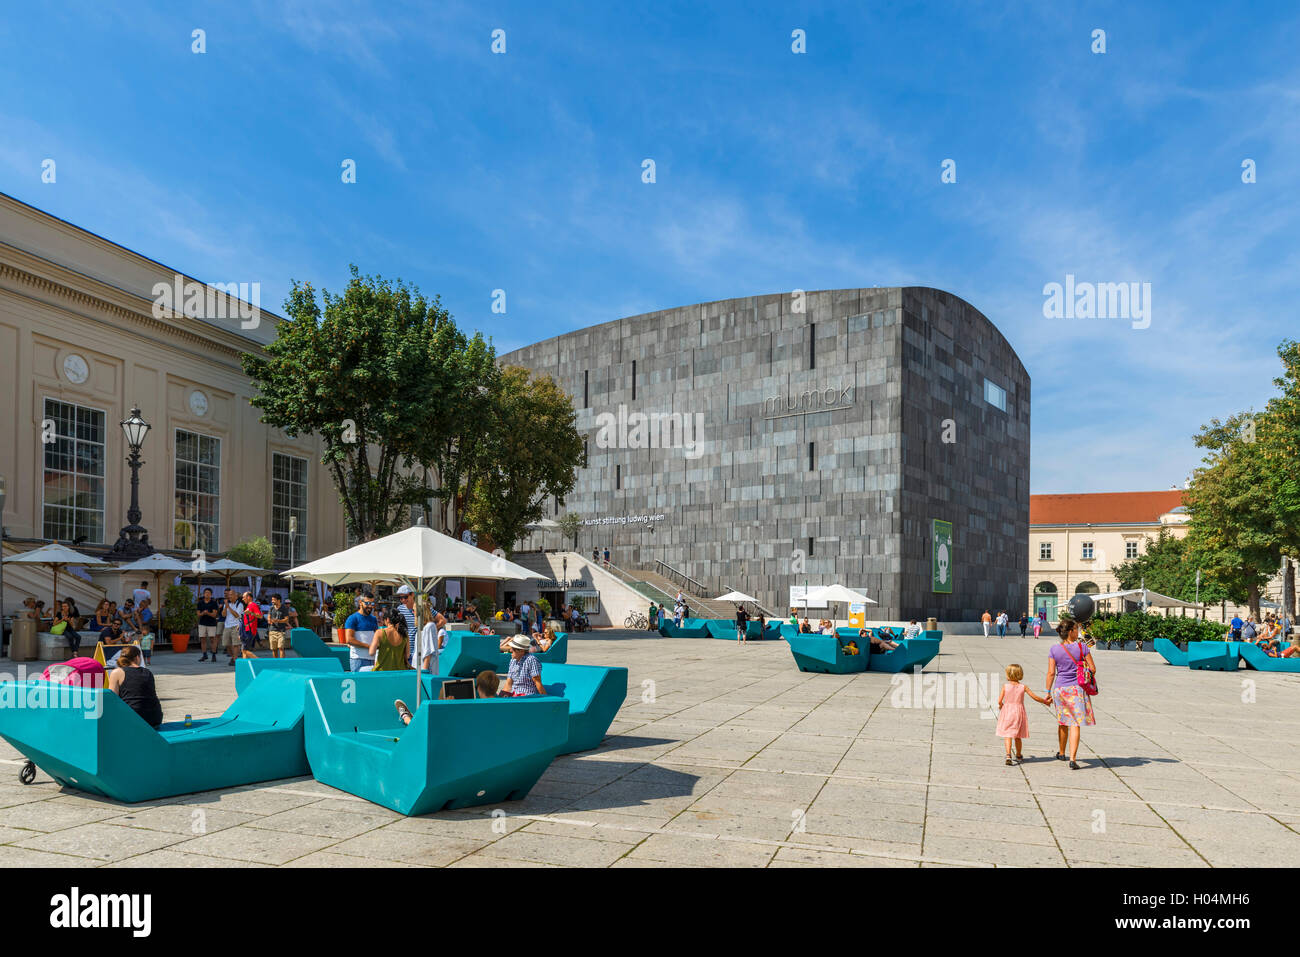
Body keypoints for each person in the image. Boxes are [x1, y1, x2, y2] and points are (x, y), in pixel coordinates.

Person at [1045, 617, 1096, 770]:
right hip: (1076, 689)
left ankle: (1061, 752)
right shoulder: (1082, 648)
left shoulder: (1054, 649)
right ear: (1071, 632)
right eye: (1076, 629)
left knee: (1062, 721)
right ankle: (1072, 759)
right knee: (1075, 723)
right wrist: (1082, 668)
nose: (1078, 631)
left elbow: (1051, 673)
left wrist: (1048, 692)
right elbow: (1093, 669)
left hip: (1060, 689)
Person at [996, 663, 1050, 765]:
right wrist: (1045, 701)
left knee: (1008, 734)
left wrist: (1001, 706)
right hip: (1018, 712)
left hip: (1007, 711)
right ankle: (1019, 755)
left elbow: (999, 701)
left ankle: (1008, 755)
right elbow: (1035, 697)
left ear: (1008, 675)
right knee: (1017, 735)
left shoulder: (1005, 686)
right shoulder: (1023, 687)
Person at [107, 645, 163, 729]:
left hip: (132, 718)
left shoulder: (117, 672)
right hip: (154, 718)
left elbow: (112, 699)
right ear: (137, 657)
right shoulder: (148, 672)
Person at [342, 596, 379, 671]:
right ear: (360, 603)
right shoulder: (352, 618)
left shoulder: (373, 619)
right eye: (367, 603)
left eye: (372, 603)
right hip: (358, 659)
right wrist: (369, 646)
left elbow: (376, 636)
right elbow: (349, 639)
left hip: (372, 658)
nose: (370, 606)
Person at [196, 587, 222, 662]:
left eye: (208, 593)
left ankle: (213, 655)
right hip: (202, 623)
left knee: (212, 640)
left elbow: (214, 615)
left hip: (211, 623)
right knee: (203, 639)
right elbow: (198, 614)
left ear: (211, 594)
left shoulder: (213, 603)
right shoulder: (200, 603)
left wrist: (208, 613)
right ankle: (204, 655)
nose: (207, 594)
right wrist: (203, 613)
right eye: (206, 593)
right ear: (204, 594)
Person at [266, 594, 296, 659]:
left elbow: (286, 619)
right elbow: (269, 617)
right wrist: (269, 620)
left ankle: (282, 663)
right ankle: (276, 663)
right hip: (272, 630)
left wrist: (278, 621)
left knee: (281, 648)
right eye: (272, 600)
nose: (272, 601)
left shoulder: (284, 608)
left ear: (278, 600)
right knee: (274, 649)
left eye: (273, 600)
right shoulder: (271, 608)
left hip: (281, 631)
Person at [395, 585, 419, 663]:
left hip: (418, 652)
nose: (402, 600)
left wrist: (427, 631)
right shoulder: (399, 609)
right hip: (404, 652)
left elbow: (442, 620)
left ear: (412, 595)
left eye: (405, 597)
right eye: (400, 598)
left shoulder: (422, 607)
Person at [220, 588, 244, 666]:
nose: (229, 596)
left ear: (236, 596)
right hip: (227, 625)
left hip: (236, 626)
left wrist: (228, 607)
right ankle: (233, 657)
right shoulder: (226, 604)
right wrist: (226, 607)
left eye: (231, 595)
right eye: (229, 595)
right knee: (226, 643)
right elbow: (223, 615)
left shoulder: (239, 604)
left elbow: (237, 615)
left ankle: (235, 659)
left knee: (235, 644)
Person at [240, 591, 262, 657]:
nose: (242, 599)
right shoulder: (249, 606)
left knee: (244, 650)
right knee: (244, 650)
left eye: (244, 597)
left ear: (249, 597)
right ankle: (245, 665)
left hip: (250, 630)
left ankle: (258, 661)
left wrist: (251, 613)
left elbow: (260, 616)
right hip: (246, 630)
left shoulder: (253, 605)